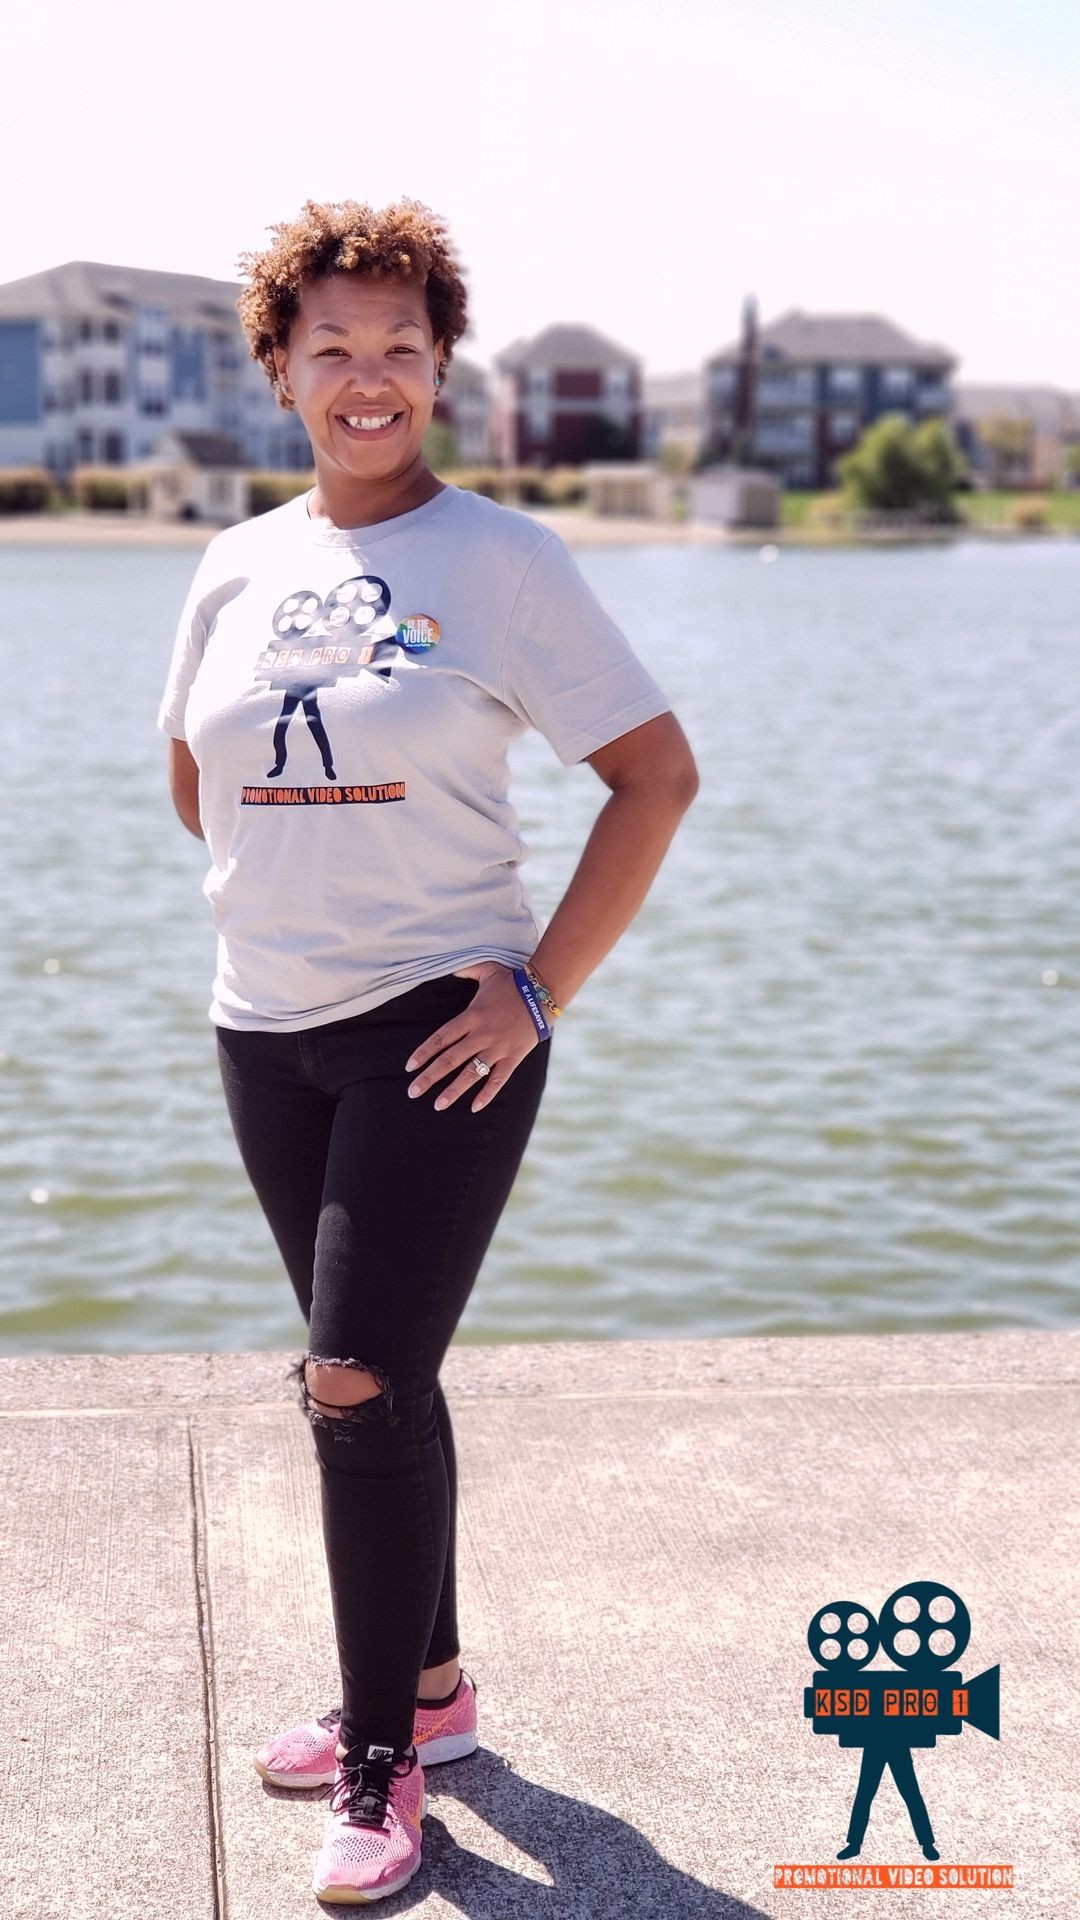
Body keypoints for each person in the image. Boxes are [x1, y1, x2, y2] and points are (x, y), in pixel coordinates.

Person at [157, 195, 699, 1905]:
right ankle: (440, 1698)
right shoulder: (235, 562)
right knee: (386, 1377)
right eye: (334, 347)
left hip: (439, 1033)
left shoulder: (502, 562)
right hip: (268, 1030)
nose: (369, 376)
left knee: (351, 1381)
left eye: (402, 347)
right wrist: (289, 876)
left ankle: (385, 1767)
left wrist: (534, 990)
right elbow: (192, 771)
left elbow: (654, 776)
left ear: (443, 370)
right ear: (282, 370)